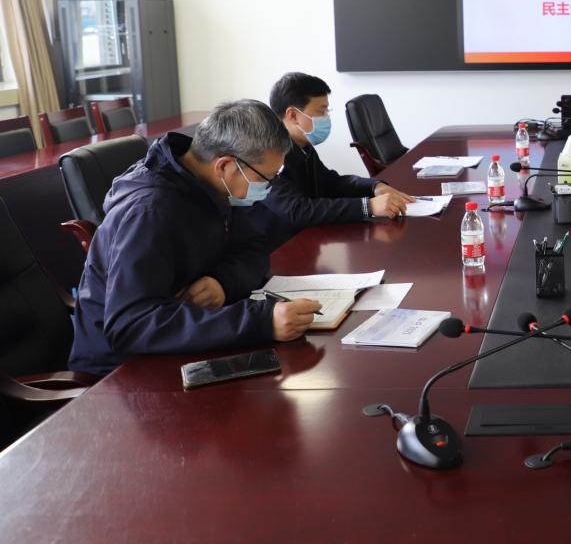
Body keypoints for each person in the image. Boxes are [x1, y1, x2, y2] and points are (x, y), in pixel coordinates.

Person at [70, 100, 322, 376]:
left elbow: (254, 248)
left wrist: (222, 282)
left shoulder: (219, 187)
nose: (269, 187)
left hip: (185, 341)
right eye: (266, 178)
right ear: (225, 166)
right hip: (123, 370)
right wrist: (260, 322)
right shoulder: (149, 212)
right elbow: (130, 325)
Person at [262, 72, 415, 235]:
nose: (326, 117)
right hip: (282, 244)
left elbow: (330, 182)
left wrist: (374, 186)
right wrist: (368, 206)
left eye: (327, 111)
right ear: (293, 115)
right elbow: (298, 210)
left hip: (309, 235)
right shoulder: (265, 156)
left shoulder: (302, 146)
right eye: (321, 111)